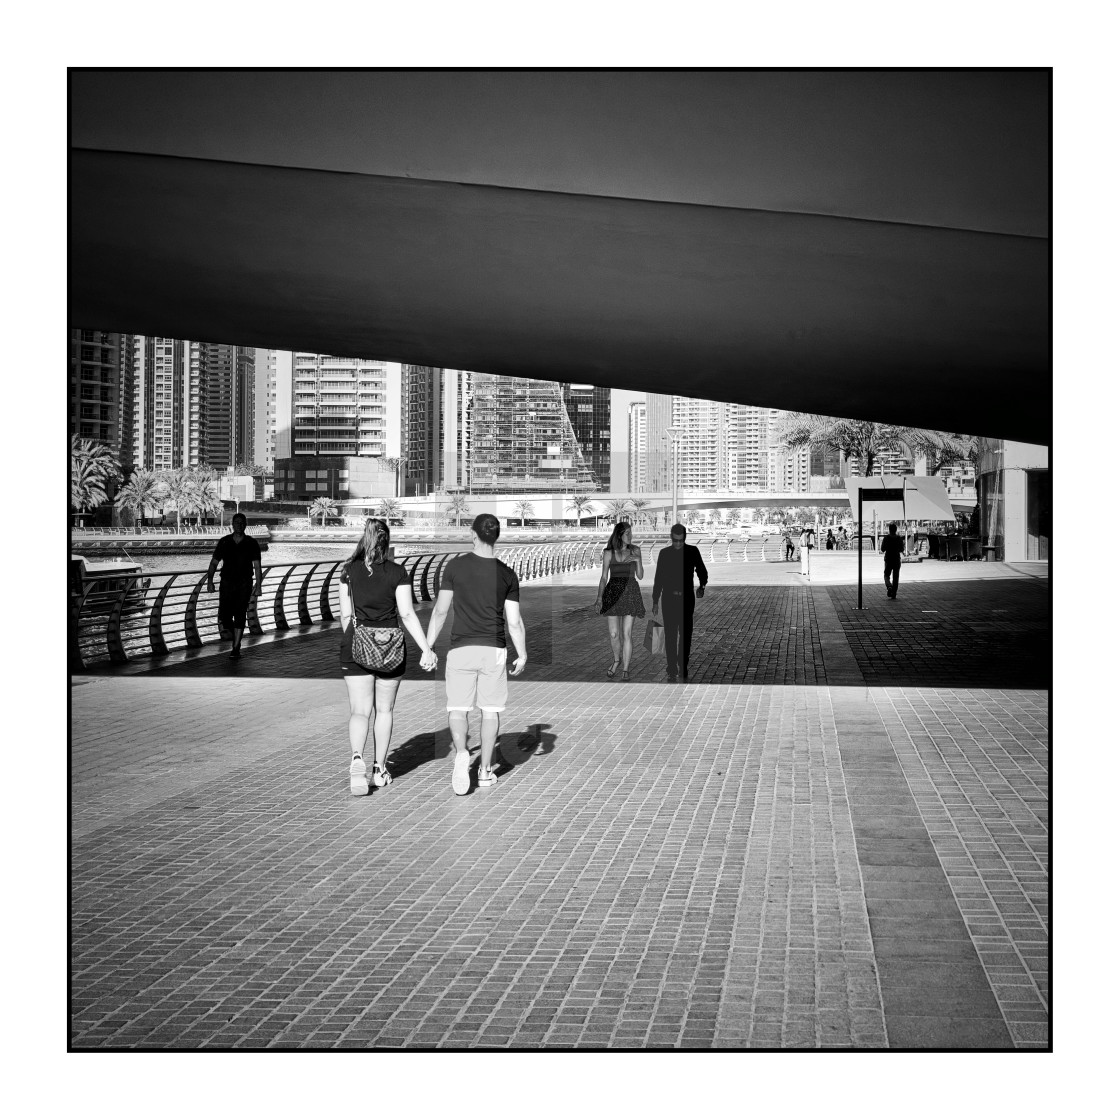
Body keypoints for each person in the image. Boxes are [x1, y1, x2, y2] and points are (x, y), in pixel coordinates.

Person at [426, 513, 528, 794]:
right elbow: (514, 621)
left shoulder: (455, 568)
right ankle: (484, 771)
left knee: (458, 709)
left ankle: (461, 752)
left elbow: (441, 611)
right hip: (493, 649)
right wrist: (522, 653)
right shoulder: (507, 574)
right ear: (496, 537)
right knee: (491, 711)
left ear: (473, 535)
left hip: (461, 648)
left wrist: (428, 646)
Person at [338, 518, 438, 797]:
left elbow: (345, 616)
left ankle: (357, 757)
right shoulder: (398, 572)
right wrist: (426, 650)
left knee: (359, 711)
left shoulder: (348, 571)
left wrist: (354, 640)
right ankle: (379, 769)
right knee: (384, 710)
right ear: (387, 541)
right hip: (390, 648)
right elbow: (406, 613)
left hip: (355, 645)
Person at [651, 524, 708, 683]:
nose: (677, 544)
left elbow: (702, 570)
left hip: (687, 599)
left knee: (685, 635)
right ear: (671, 538)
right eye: (675, 541)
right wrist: (655, 600)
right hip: (668, 599)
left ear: (685, 538)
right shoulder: (664, 553)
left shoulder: (692, 551)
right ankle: (671, 669)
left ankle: (683, 666)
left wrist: (702, 586)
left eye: (680, 541)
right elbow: (659, 578)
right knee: (669, 635)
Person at [206, 512, 263, 659]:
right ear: (232, 524)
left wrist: (258, 585)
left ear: (245, 525)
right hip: (226, 583)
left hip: (244, 584)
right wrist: (210, 581)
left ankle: (236, 647)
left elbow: (257, 566)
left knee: (239, 614)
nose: (239, 525)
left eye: (242, 522)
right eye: (237, 522)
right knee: (224, 617)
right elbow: (214, 563)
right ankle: (236, 636)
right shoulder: (224, 542)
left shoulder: (251, 543)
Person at [594, 521, 645, 682]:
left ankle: (625, 668)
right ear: (619, 535)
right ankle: (617, 660)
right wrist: (599, 598)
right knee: (614, 634)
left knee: (626, 633)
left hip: (630, 592)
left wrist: (637, 561)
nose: (631, 536)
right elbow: (603, 577)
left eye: (631, 533)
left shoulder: (636, 550)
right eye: (627, 533)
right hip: (612, 593)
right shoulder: (608, 552)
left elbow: (641, 575)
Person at [881, 521, 905, 600]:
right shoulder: (899, 538)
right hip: (896, 559)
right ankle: (894, 593)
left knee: (886, 575)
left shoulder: (886, 538)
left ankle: (889, 586)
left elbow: (882, 549)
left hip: (888, 559)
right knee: (896, 577)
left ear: (889, 530)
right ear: (896, 530)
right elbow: (902, 549)